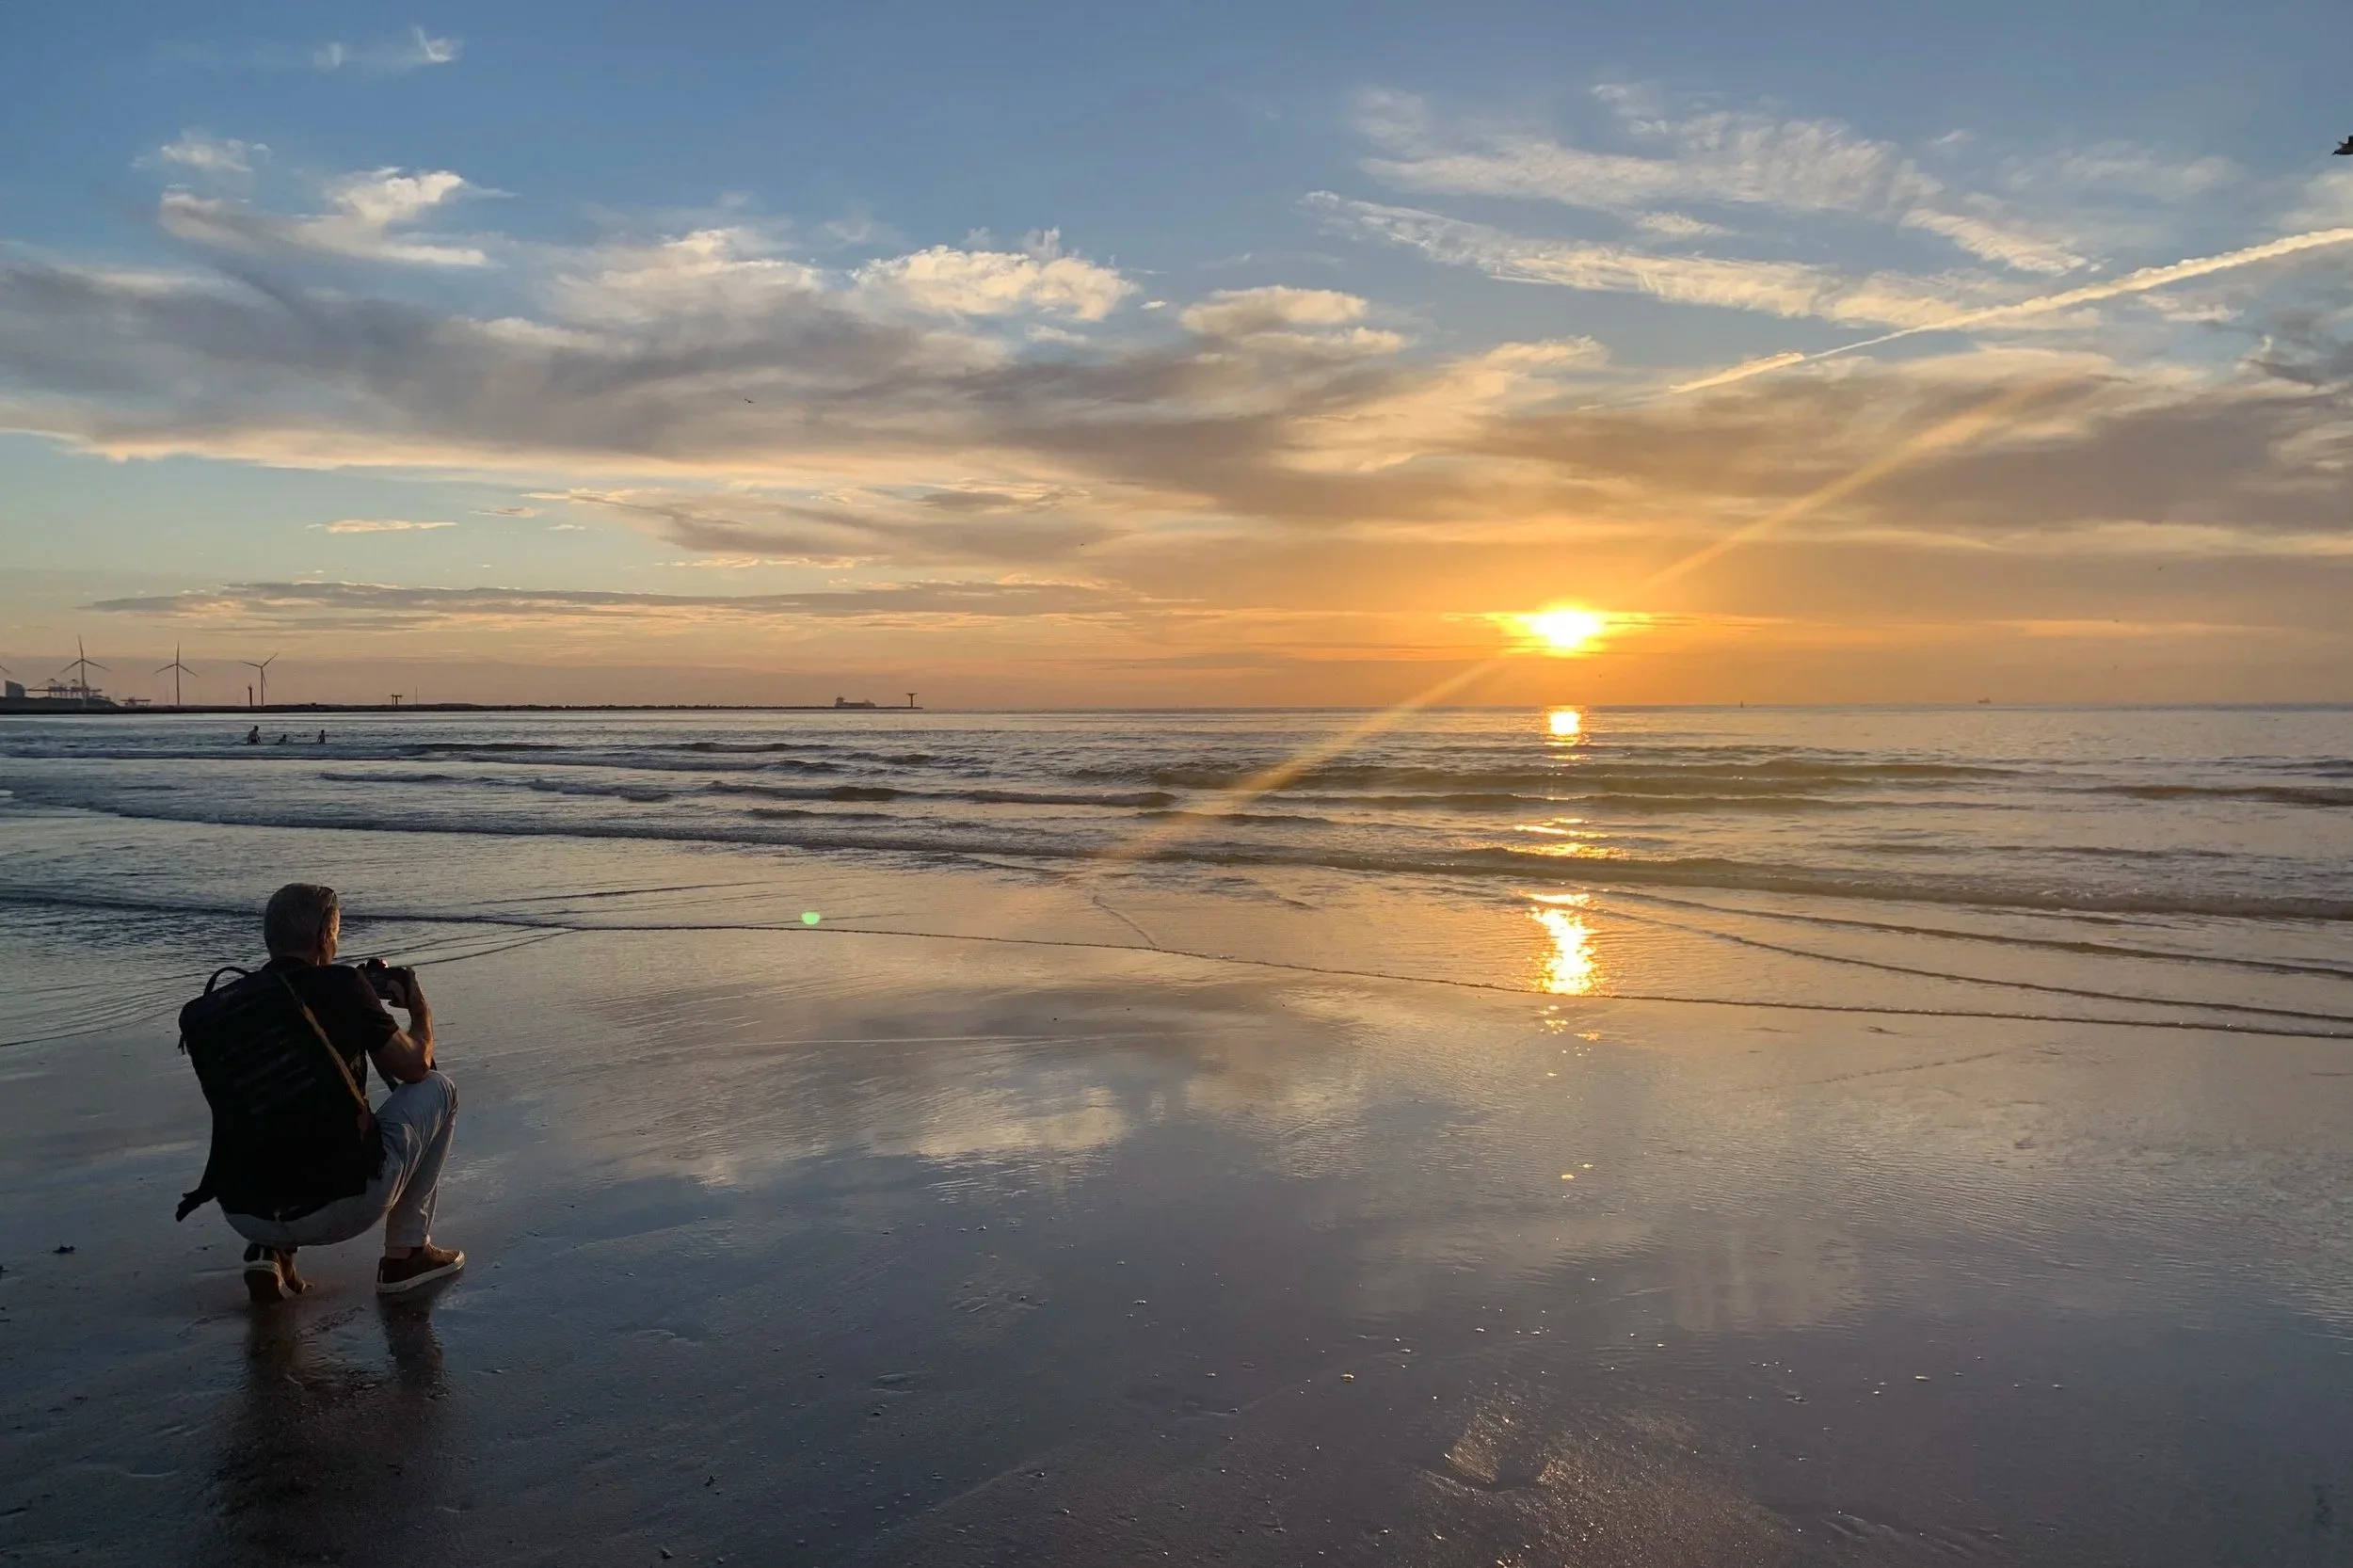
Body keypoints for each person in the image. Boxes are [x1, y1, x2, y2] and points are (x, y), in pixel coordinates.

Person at [184, 884, 464, 1302]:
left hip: (245, 1210)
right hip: (337, 1205)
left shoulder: (223, 1008)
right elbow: (415, 1068)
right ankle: (406, 1254)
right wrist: (418, 1006)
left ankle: (271, 1250)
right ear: (324, 937)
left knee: (273, 1101)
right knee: (441, 1090)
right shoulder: (343, 986)